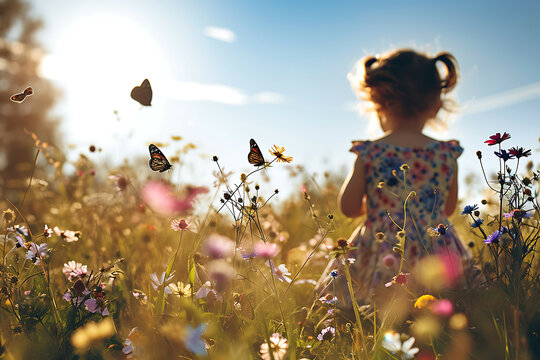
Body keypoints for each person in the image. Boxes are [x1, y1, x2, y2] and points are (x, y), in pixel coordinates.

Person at [317, 49, 469, 303]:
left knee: (369, 310)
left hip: (383, 248)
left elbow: (349, 207)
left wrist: (382, 206)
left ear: (380, 102)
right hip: (434, 248)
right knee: (442, 305)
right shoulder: (446, 153)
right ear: (435, 106)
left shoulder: (371, 152)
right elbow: (448, 208)